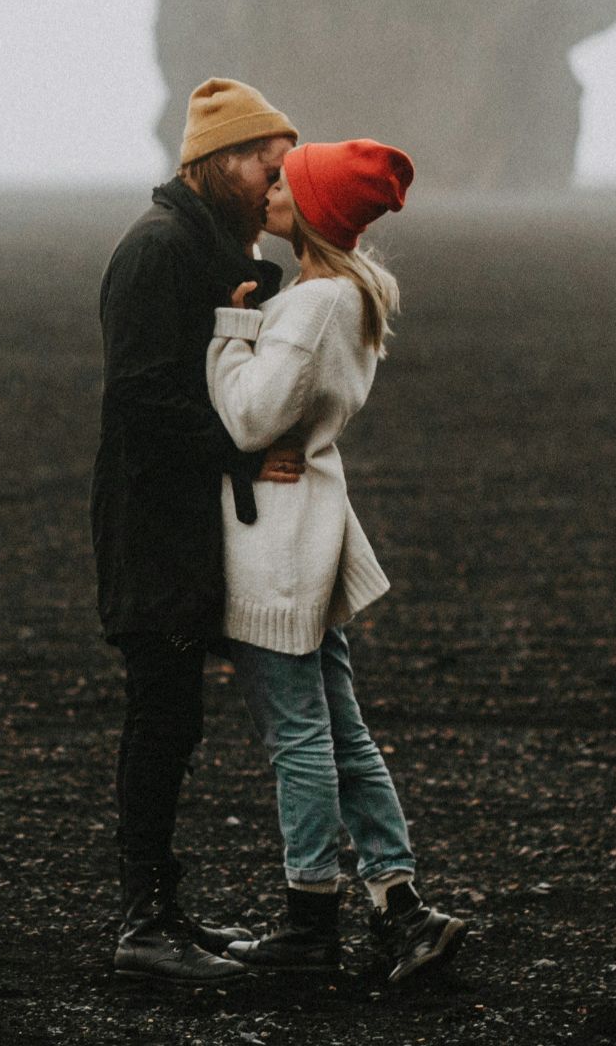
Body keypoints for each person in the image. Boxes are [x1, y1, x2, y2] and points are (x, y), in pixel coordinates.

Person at [205, 139, 466, 984]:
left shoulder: (312, 304)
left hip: (280, 547)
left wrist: (232, 330)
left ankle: (309, 919)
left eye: (287, 183)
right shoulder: (354, 292)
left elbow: (249, 419)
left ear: (313, 209)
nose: (271, 190)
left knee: (300, 741)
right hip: (315, 534)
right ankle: (400, 906)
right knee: (343, 737)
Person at [92, 78, 308, 984]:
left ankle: (165, 909)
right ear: (218, 162)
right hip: (154, 527)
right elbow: (142, 396)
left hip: (190, 522)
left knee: (175, 722)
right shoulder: (156, 251)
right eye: (269, 162)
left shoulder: (212, 244)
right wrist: (247, 450)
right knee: (162, 717)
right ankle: (145, 922)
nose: (279, 179)